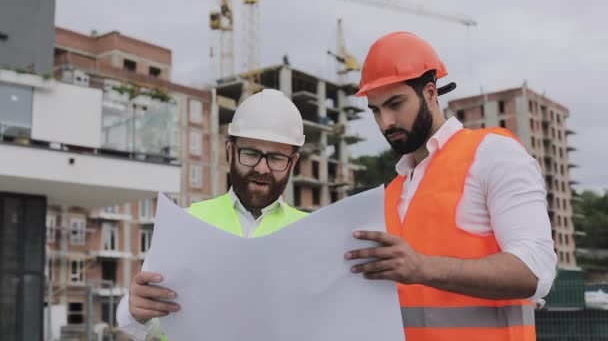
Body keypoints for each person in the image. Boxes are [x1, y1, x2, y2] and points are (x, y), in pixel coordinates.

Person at [345, 31, 557, 340]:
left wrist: (423, 267)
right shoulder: (389, 194)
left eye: (395, 104)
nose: (385, 122)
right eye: (376, 110)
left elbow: (535, 271)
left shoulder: (492, 153)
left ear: (431, 94)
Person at [116, 89, 308, 341]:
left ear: (292, 163)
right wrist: (135, 311)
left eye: (276, 157)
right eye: (250, 153)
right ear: (230, 152)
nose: (262, 168)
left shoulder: (310, 234)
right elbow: (149, 320)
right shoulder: (185, 224)